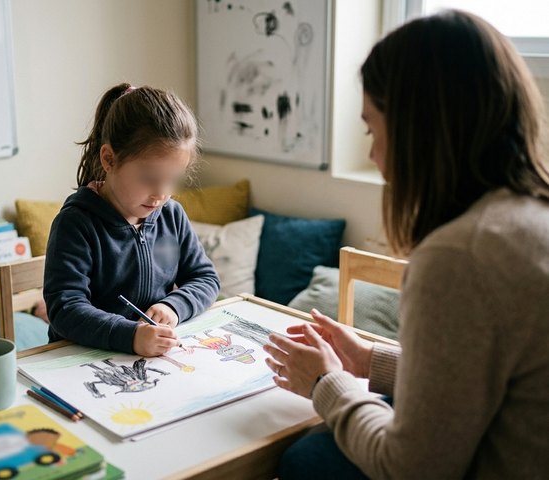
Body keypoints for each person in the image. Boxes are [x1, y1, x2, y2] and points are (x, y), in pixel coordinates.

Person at [263, 10, 549, 479]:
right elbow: (480, 377)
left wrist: (325, 382)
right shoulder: (529, 215)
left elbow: (411, 468)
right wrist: (368, 359)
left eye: (373, 130)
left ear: (420, 130)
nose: (374, 156)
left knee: (305, 459)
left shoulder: (460, 257)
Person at [43, 83, 220, 357]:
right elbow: (65, 308)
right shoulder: (76, 223)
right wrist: (131, 336)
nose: (161, 194)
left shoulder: (171, 215)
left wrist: (174, 306)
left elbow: (205, 278)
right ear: (109, 159)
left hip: (147, 360)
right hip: (81, 359)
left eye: (172, 180)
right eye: (149, 179)